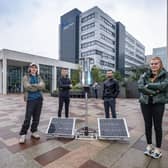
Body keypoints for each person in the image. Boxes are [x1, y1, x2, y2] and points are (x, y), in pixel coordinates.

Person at [138, 57, 168, 159]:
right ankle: (149, 145)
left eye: (156, 63)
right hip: (145, 103)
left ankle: (158, 149)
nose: (153, 65)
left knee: (157, 126)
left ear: (160, 64)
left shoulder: (165, 75)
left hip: (158, 103)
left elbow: (163, 86)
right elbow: (140, 87)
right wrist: (154, 92)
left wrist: (149, 85)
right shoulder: (144, 75)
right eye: (152, 64)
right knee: (147, 125)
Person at [19, 63, 45, 144]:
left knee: (36, 118)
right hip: (30, 100)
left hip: (39, 99)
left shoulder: (39, 77)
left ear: (37, 69)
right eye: (32, 67)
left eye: (35, 68)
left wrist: (34, 86)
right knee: (28, 118)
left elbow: (43, 86)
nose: (33, 69)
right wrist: (37, 86)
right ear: (29, 69)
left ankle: (34, 131)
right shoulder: (26, 77)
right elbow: (27, 87)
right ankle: (23, 134)